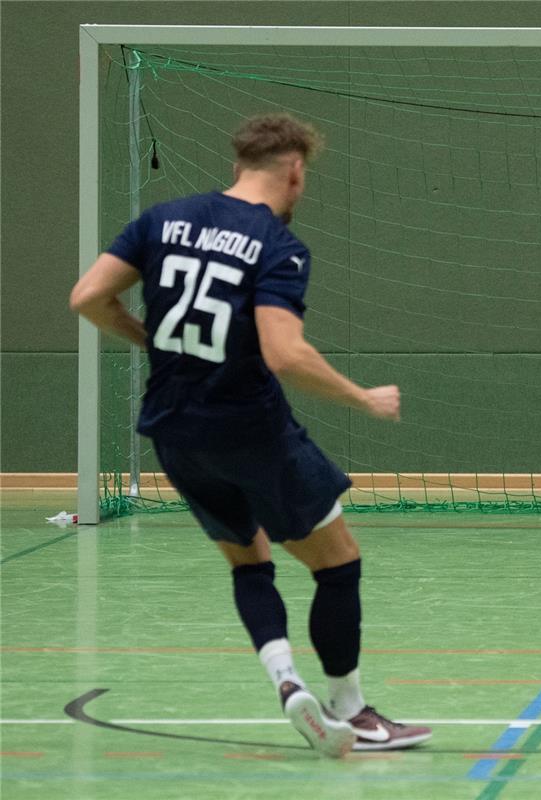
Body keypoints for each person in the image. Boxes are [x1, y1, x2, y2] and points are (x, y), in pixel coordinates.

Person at [69, 113, 431, 757]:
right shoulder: (276, 244)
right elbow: (285, 354)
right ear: (294, 171)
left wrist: (150, 342)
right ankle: (353, 712)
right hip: (251, 430)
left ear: (238, 165)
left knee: (249, 559)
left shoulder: (161, 220)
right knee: (338, 561)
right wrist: (361, 395)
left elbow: (89, 297)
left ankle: (287, 681)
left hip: (174, 430)